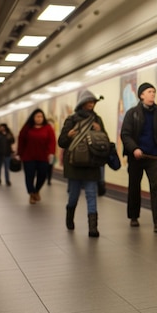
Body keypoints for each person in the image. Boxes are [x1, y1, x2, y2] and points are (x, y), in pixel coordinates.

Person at [120, 82, 157, 232]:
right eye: (149, 92)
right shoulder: (132, 113)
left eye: (154, 92)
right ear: (142, 95)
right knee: (134, 187)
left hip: (153, 157)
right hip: (136, 157)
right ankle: (133, 216)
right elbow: (125, 134)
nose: (152, 95)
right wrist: (134, 148)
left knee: (156, 188)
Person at [58, 90, 107, 237]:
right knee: (74, 195)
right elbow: (61, 142)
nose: (92, 104)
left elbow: (104, 142)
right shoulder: (71, 120)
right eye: (89, 101)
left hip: (91, 164)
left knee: (91, 194)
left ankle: (93, 228)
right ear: (82, 103)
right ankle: (69, 218)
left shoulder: (97, 120)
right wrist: (68, 135)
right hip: (75, 165)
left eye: (93, 102)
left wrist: (100, 131)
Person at [16, 108, 56, 204]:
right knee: (29, 176)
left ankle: (37, 190)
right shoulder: (27, 128)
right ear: (33, 117)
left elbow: (52, 141)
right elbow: (21, 141)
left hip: (43, 157)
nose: (39, 118)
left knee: (42, 175)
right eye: (37, 116)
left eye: (41, 116)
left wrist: (51, 153)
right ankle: (31, 194)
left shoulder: (48, 128)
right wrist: (19, 154)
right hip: (29, 157)